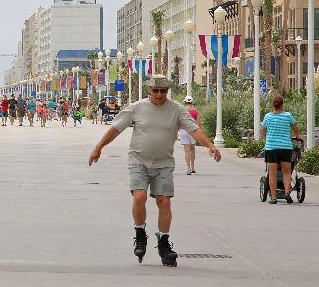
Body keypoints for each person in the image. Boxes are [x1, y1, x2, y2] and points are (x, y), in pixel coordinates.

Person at [88, 75, 221, 267]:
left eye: (163, 91)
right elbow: (116, 128)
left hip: (164, 162)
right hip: (138, 159)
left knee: (164, 201)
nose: (159, 95)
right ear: (149, 91)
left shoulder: (177, 109)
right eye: (155, 91)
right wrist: (98, 147)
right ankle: (140, 233)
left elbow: (194, 129)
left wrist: (210, 145)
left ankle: (164, 242)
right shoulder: (137, 107)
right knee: (139, 197)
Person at [262, 95, 302, 205]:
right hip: (285, 147)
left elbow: (263, 132)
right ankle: (287, 193)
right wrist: (298, 136)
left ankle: (274, 198)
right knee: (287, 172)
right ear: (282, 104)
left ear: (273, 105)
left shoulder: (268, 117)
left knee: (272, 174)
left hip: (271, 148)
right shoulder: (288, 116)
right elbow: (296, 130)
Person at [179, 96, 201, 175]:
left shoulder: (182, 111)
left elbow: (179, 121)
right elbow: (198, 124)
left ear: (185, 102)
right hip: (193, 131)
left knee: (187, 150)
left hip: (183, 131)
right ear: (192, 102)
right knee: (192, 150)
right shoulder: (196, 111)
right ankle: (193, 167)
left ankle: (188, 169)